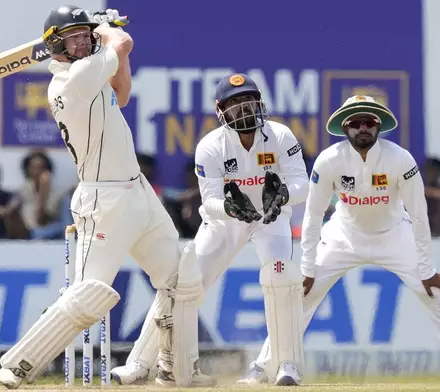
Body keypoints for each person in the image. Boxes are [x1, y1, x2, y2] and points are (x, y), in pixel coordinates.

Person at [0, 6, 212, 388]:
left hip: (138, 192)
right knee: (87, 297)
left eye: (84, 34)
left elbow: (123, 93)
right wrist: (105, 28)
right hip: (104, 200)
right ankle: (19, 364)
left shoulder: (91, 71)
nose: (83, 41)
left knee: (181, 282)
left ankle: (174, 369)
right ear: (55, 46)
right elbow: (123, 41)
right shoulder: (73, 79)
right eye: (74, 37)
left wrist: (107, 39)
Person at [242, 95, 440, 385]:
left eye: (369, 122)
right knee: (300, 295)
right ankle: (268, 367)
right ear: (345, 128)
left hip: (394, 234)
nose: (363, 129)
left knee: (432, 292)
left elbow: (419, 216)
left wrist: (426, 268)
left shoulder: (400, 159)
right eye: (355, 123)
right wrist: (307, 269)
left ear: (378, 126)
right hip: (344, 235)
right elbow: (313, 216)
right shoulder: (329, 160)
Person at [111, 73, 309, 386]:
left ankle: (287, 366)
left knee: (281, 281)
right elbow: (212, 201)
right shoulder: (210, 147)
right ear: (221, 110)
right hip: (225, 224)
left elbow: (302, 184)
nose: (244, 108)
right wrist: (231, 208)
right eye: (236, 103)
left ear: (260, 103)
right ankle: (139, 363)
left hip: (271, 219)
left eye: (249, 100)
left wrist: (283, 193)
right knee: (183, 287)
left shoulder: (281, 135)